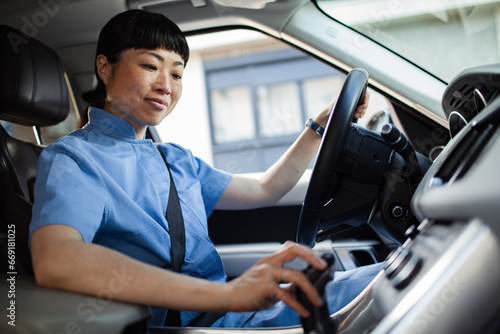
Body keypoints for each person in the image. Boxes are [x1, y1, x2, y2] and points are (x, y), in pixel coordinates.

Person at [29, 9, 382, 328]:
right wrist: (231, 294)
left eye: (177, 73)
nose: (166, 86)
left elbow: (264, 188)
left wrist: (319, 126)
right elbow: (57, 260)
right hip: (199, 326)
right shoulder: (73, 160)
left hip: (235, 315)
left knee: (386, 279)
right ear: (105, 68)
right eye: (150, 66)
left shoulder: (175, 158)